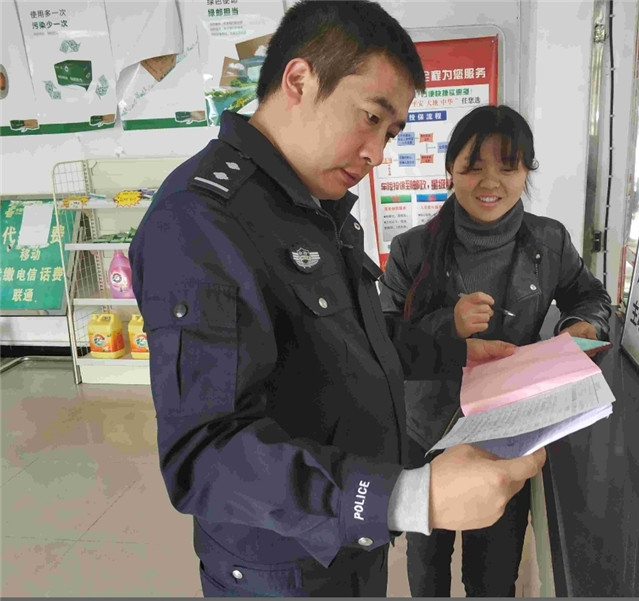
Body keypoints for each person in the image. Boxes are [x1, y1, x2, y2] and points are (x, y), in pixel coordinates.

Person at [129, 3, 547, 597]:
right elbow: (205, 455)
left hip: (351, 538)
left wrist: (455, 353)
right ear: (299, 80)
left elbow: (353, 338)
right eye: (370, 118)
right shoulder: (200, 221)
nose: (377, 153)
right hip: (283, 566)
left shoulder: (312, 204)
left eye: (391, 133)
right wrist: (407, 496)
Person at [379, 104, 612, 597]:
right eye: (473, 166)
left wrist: (580, 327)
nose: (491, 182)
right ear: (451, 170)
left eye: (508, 167)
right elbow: (381, 337)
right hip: (427, 433)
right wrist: (448, 324)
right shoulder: (411, 250)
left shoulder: (549, 241)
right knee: (427, 569)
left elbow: (591, 297)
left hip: (509, 433)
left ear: (527, 171)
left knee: (494, 574)